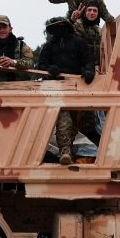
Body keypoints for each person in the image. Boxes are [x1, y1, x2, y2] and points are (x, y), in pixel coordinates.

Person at [37, 17, 97, 164]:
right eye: (55, 28)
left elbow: (88, 60)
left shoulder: (78, 43)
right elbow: (41, 65)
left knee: (75, 123)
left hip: (76, 88)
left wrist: (89, 70)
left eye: (61, 27)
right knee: (64, 119)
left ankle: (70, 149)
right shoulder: (49, 46)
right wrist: (50, 69)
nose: (59, 30)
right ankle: (65, 151)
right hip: (57, 88)